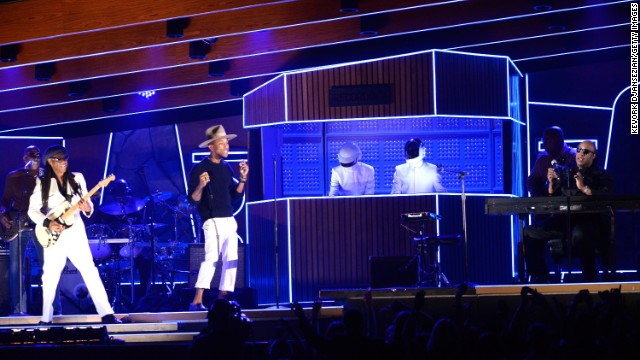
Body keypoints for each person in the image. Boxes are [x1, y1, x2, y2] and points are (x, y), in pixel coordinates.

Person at [27, 145, 121, 324]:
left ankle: (107, 314)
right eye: (59, 159)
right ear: (50, 162)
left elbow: (86, 202)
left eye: (65, 159)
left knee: (89, 270)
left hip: (75, 232)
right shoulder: (43, 183)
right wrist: (48, 223)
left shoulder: (77, 178)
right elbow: (32, 210)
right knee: (50, 275)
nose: (64, 162)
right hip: (54, 234)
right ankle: (46, 318)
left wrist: (88, 208)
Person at [523, 140, 613, 282]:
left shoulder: (601, 175)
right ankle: (541, 277)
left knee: (579, 235)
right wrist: (551, 185)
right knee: (530, 232)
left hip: (587, 222)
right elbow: (551, 198)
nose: (580, 154)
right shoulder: (567, 173)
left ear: (593, 156)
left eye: (585, 151)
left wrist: (583, 188)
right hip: (562, 221)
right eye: (579, 150)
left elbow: (606, 197)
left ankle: (590, 278)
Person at [188, 125, 249, 311]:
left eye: (226, 143)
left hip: (229, 219)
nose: (226, 147)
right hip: (212, 220)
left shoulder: (226, 168)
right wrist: (200, 185)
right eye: (221, 144)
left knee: (232, 259)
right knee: (211, 259)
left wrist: (243, 179)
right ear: (211, 147)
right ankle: (197, 300)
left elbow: (236, 195)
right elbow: (193, 199)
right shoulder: (200, 168)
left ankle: (224, 297)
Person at [0, 146, 61, 316]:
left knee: (48, 266)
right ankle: (19, 310)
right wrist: (2, 214)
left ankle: (55, 310)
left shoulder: (47, 175)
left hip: (41, 224)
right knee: (16, 269)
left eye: (37, 154)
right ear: (24, 158)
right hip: (18, 225)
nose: (35, 156)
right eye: (30, 154)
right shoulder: (14, 176)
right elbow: (4, 201)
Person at [527, 126, 577, 197]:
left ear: (560, 140)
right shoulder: (542, 157)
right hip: (547, 200)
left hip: (569, 198)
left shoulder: (573, 155)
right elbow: (533, 180)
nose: (545, 144)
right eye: (544, 140)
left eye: (548, 139)